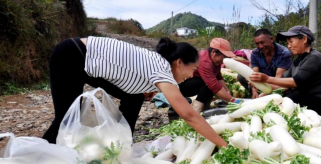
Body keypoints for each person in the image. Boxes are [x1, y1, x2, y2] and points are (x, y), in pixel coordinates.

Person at [42, 36, 227, 147]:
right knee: (66, 119)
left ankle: (122, 143)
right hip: (71, 56)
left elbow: (132, 72)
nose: (192, 74)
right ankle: (39, 154)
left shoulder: (158, 63)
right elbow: (189, 115)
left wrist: (144, 89)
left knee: (134, 97)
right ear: (179, 62)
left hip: (84, 59)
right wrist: (223, 144)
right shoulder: (162, 69)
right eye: (193, 68)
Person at [249, 25, 321, 118]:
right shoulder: (297, 61)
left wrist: (266, 79)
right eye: (287, 43)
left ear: (304, 39)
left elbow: (296, 82)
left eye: (291, 41)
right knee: (283, 97)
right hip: (304, 98)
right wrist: (265, 89)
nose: (289, 46)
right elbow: (283, 84)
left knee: (290, 99)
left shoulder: (314, 57)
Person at [179, 38, 242, 112]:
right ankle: (196, 110)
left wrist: (227, 92)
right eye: (224, 56)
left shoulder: (215, 60)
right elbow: (214, 85)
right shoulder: (204, 61)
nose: (224, 60)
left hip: (194, 82)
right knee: (209, 85)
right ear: (214, 52)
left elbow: (218, 76)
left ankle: (204, 109)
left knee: (210, 84)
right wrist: (233, 100)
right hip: (180, 86)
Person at [238, 29, 292, 98]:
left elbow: (278, 78)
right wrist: (254, 91)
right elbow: (254, 74)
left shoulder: (284, 53)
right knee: (241, 77)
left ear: (271, 39)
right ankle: (256, 95)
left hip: (276, 82)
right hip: (260, 81)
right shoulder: (255, 53)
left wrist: (267, 91)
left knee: (284, 88)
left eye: (262, 42)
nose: (260, 46)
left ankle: (276, 96)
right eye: (257, 44)